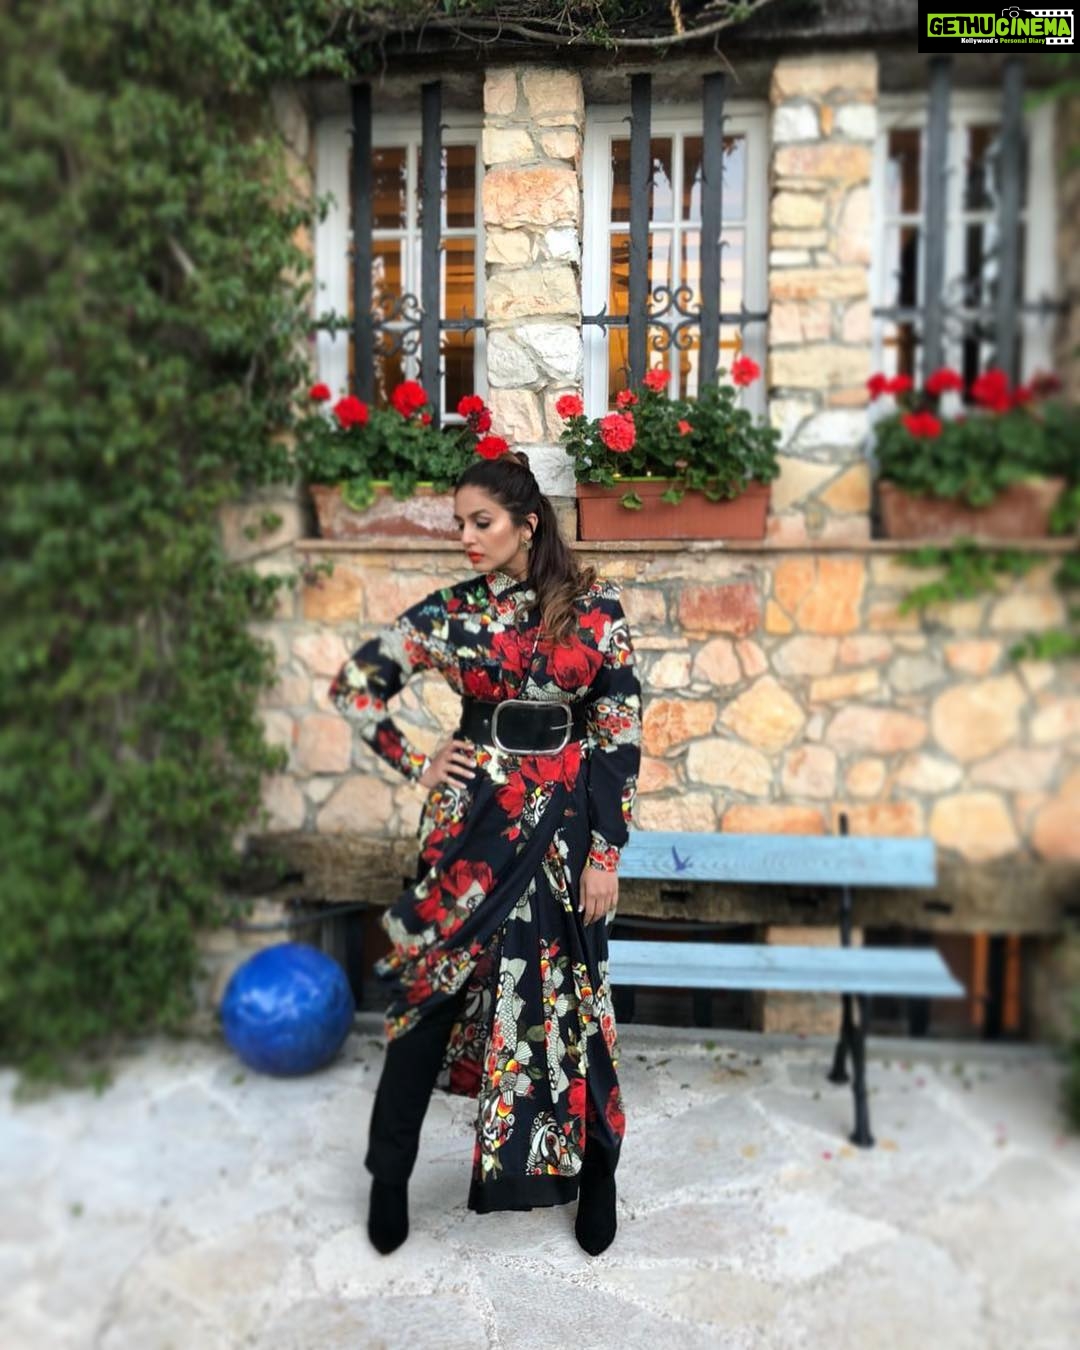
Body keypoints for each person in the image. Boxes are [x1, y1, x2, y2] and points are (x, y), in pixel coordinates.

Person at [327, 448, 642, 1257]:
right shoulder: (451, 615)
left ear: (526, 525)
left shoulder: (595, 610)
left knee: (574, 1001)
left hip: (564, 833)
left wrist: (606, 853)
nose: (465, 537)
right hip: (468, 829)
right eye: (458, 523)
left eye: (481, 522)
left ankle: (597, 1172)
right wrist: (417, 761)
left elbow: (617, 736)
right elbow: (356, 684)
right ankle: (389, 1175)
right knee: (427, 996)